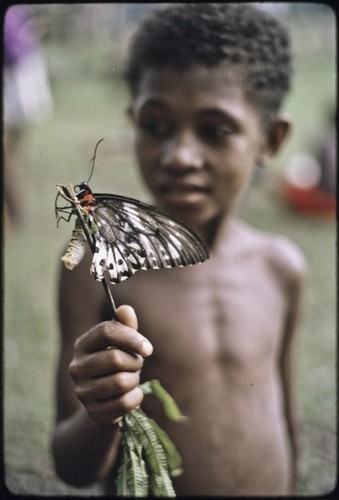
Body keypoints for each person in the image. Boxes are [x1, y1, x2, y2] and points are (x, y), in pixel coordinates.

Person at [52, 4, 307, 496]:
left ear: (270, 139)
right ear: (134, 124)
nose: (179, 156)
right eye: (155, 126)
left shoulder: (283, 268)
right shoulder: (94, 268)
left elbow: (285, 415)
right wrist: (101, 414)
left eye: (214, 130)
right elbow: (71, 466)